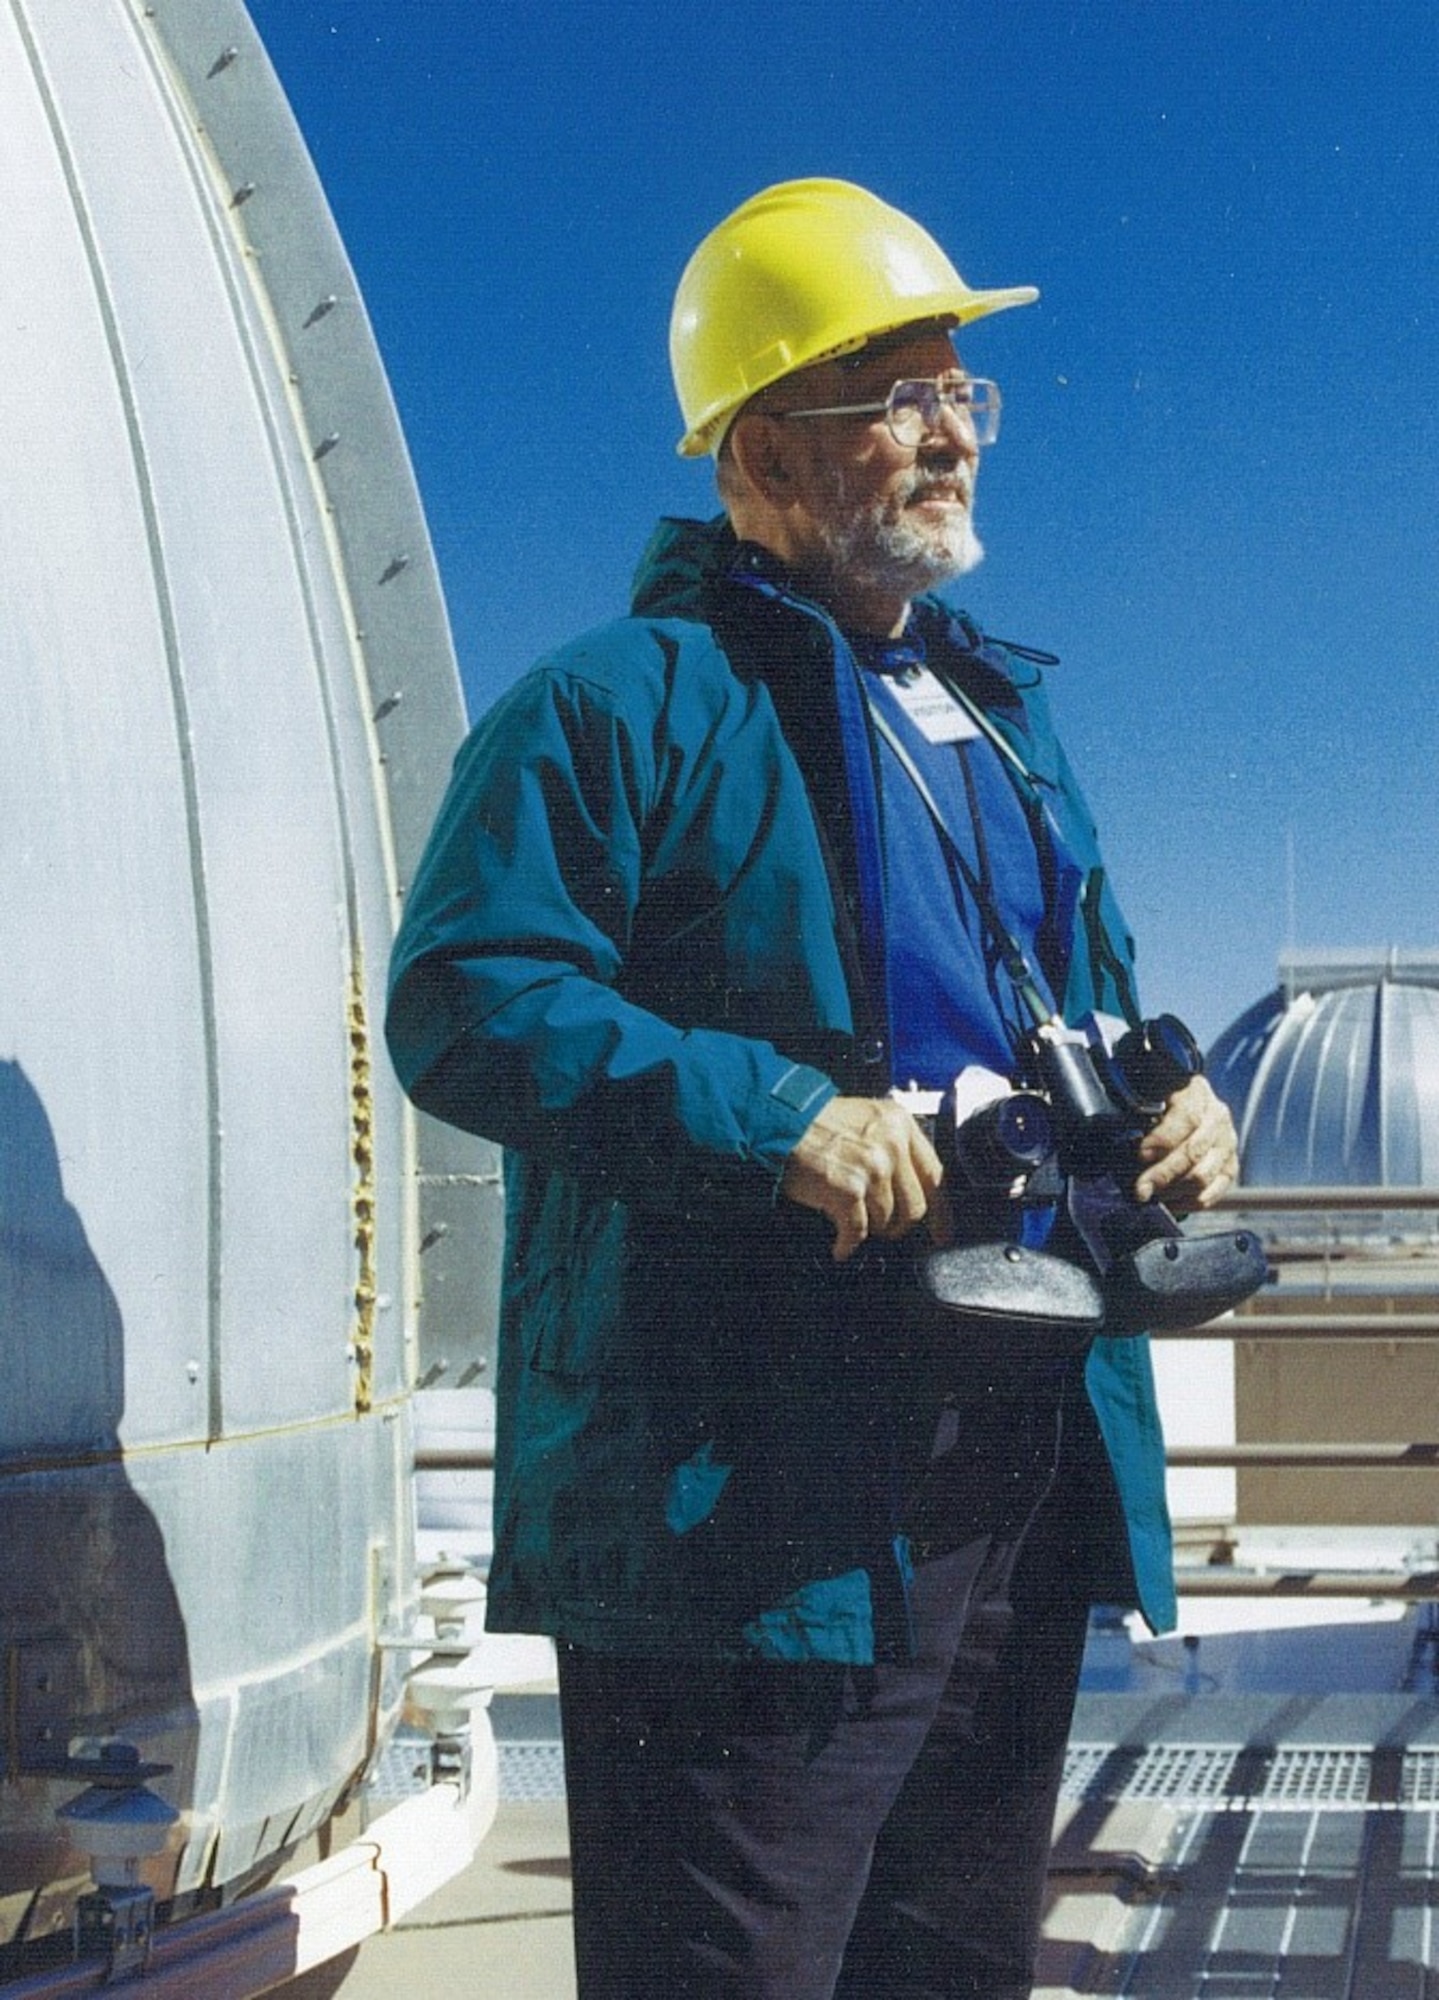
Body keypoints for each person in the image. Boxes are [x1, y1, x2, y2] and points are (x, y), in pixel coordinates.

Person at [386, 177, 1238, 2000]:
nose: (951, 435)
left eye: (962, 396)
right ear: (763, 454)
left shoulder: (1002, 720)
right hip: (748, 1513)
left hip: (1009, 1463)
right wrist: (774, 1117)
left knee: (950, 1961)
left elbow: (1095, 997)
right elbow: (465, 997)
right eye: (897, 402)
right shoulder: (617, 705)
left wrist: (1182, 1113)